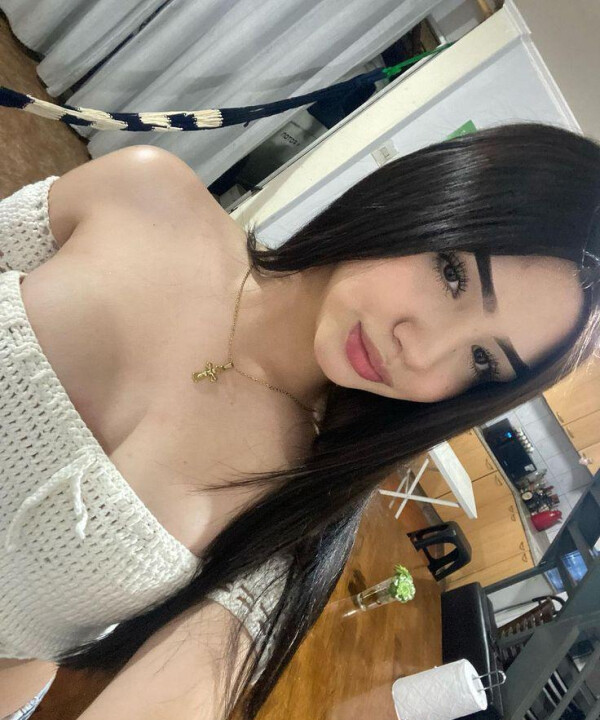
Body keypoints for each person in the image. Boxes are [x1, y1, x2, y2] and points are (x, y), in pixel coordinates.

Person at [0, 122, 598, 720]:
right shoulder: (144, 191)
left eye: (481, 359)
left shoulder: (298, 513)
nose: (421, 352)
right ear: (427, 199)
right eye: (452, 274)